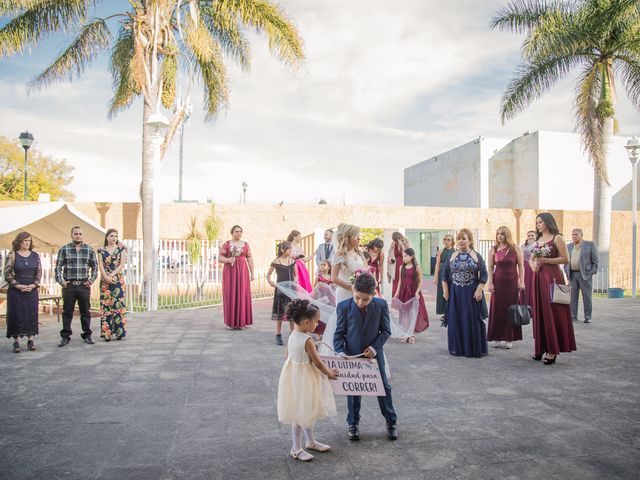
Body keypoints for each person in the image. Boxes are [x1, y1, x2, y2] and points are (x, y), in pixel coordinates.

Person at [334, 272, 398, 441]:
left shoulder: (381, 305)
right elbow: (339, 334)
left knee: (383, 388)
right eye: (357, 298)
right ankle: (353, 423)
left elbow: (386, 331)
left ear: (373, 294)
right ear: (353, 290)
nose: (361, 302)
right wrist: (340, 352)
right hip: (352, 357)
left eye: (365, 299)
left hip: (374, 358)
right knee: (353, 391)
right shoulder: (343, 307)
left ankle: (391, 422)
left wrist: (375, 348)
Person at [277, 299, 338, 462]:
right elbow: (317, 362)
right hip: (305, 379)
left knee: (305, 409)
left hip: (294, 377)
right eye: (316, 321)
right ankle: (296, 448)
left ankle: (310, 441)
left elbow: (286, 356)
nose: (317, 324)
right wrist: (329, 373)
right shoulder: (307, 340)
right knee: (300, 413)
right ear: (306, 322)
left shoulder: (293, 335)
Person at [530, 213, 576, 365]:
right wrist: (534, 266)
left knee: (552, 312)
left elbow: (565, 258)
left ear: (548, 222)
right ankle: (541, 346)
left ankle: (552, 349)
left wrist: (546, 260)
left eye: (540, 222)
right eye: (537, 222)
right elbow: (531, 259)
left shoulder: (557, 238)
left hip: (552, 278)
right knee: (540, 313)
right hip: (538, 278)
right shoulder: (538, 240)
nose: (538, 225)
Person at [319, 223, 367, 356]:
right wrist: (352, 288)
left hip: (360, 293)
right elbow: (334, 278)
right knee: (344, 320)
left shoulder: (359, 253)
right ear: (348, 237)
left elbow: (364, 271)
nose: (359, 239)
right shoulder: (339, 255)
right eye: (356, 236)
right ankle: (339, 352)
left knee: (360, 321)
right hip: (346, 292)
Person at [442, 228, 488, 358]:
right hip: (455, 293)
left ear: (470, 241)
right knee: (456, 319)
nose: (461, 241)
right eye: (459, 238)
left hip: (471, 293)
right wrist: (445, 291)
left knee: (470, 319)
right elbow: (444, 275)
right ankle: (458, 348)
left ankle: (471, 348)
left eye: (464, 238)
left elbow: (484, 275)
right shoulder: (452, 256)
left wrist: (479, 290)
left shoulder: (476, 255)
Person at [55, 226, 98, 347]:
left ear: (82, 235)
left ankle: (87, 335)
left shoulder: (89, 250)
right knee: (67, 312)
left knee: (85, 312)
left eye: (80, 233)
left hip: (84, 286)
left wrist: (91, 280)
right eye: (76, 234)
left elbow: (95, 267)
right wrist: (61, 281)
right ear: (71, 235)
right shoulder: (64, 249)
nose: (78, 235)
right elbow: (58, 267)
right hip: (69, 286)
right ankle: (65, 337)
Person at [487, 226, 525, 349]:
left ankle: (509, 337)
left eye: (502, 234)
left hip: (512, 284)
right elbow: (490, 267)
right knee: (497, 309)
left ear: (507, 235)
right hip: (498, 282)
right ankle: (497, 337)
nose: (500, 236)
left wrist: (521, 281)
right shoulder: (494, 249)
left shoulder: (515, 248)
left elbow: (521, 265)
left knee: (510, 309)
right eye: (498, 234)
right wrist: (490, 283)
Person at [4, 232, 41, 353]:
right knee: (16, 314)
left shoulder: (35, 255)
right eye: (25, 240)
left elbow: (39, 273)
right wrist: (17, 285)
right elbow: (7, 274)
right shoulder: (12, 255)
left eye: (29, 240)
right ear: (19, 241)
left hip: (31, 290)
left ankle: (30, 340)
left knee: (30, 314)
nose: (27, 243)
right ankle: (16, 342)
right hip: (16, 291)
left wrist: (33, 285)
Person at [219, 225, 255, 330]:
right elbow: (220, 258)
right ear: (232, 233)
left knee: (243, 294)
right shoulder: (227, 244)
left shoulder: (246, 244)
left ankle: (242, 321)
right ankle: (231, 322)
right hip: (230, 272)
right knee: (230, 294)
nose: (238, 233)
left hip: (243, 271)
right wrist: (228, 260)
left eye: (240, 231)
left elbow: (250, 259)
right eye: (236, 231)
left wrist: (252, 273)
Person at [97, 229, 128, 341]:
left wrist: (111, 275)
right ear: (106, 237)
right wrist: (105, 276)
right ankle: (107, 334)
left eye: (115, 236)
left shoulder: (121, 249)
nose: (113, 238)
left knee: (118, 306)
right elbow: (100, 265)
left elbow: (121, 264)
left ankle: (119, 332)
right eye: (111, 236)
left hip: (118, 281)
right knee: (106, 306)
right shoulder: (101, 250)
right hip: (105, 281)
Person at [392, 248, 429, 343]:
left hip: (413, 291)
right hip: (404, 292)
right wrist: (396, 293)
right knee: (404, 314)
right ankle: (406, 334)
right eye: (403, 256)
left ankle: (412, 334)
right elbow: (400, 281)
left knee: (413, 313)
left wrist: (417, 292)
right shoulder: (401, 267)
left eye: (405, 256)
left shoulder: (417, 267)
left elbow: (421, 281)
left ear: (411, 256)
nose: (403, 258)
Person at [564, 228, 599, 323]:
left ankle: (588, 317)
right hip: (572, 275)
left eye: (576, 234)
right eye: (573, 235)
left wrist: (591, 273)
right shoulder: (569, 246)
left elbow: (595, 262)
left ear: (581, 235)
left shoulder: (590, 245)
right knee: (573, 297)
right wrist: (566, 271)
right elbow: (566, 261)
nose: (574, 236)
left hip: (585, 275)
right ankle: (573, 316)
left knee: (586, 297)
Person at [267, 241, 297, 345]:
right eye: (288, 249)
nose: (290, 250)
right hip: (280, 290)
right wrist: (270, 282)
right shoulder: (277, 261)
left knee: (292, 312)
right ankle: (278, 334)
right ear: (282, 250)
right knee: (279, 312)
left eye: (291, 249)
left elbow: (295, 275)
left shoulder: (292, 261)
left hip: (290, 290)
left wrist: (295, 281)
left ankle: (293, 333)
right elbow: (268, 275)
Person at [434, 235, 455, 320]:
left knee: (451, 293)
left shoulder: (455, 251)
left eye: (448, 240)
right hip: (442, 274)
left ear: (452, 241)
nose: (446, 241)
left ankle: (451, 312)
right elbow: (437, 264)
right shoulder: (441, 251)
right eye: (445, 239)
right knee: (442, 293)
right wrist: (435, 277)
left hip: (452, 274)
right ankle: (445, 313)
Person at [387, 232, 410, 296]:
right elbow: (390, 253)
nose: (394, 241)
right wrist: (389, 258)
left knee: (403, 280)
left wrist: (402, 245)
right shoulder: (394, 243)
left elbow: (408, 253)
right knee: (396, 282)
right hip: (395, 266)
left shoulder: (405, 242)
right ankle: (395, 298)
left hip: (403, 264)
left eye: (394, 240)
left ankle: (403, 296)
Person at [521, 230, 536, 312]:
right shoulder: (523, 246)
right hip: (525, 268)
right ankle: (524, 307)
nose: (530, 237)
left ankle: (534, 308)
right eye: (529, 235)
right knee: (525, 286)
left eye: (532, 235)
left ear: (535, 236)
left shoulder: (539, 245)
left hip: (534, 267)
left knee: (533, 286)